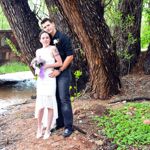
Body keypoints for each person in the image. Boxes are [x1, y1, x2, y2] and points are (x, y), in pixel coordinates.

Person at [41, 18, 74, 137]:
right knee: (55, 98)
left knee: (64, 98)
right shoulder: (48, 40)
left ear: (53, 24)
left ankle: (68, 127)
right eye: (44, 27)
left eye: (48, 25)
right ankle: (60, 123)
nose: (47, 28)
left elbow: (70, 56)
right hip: (52, 73)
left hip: (63, 72)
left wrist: (59, 70)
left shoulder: (63, 38)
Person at [31, 30, 62, 139]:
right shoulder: (38, 51)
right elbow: (37, 64)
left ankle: (48, 129)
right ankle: (39, 128)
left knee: (49, 105)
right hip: (41, 78)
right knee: (40, 106)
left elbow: (59, 63)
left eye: (47, 37)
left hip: (50, 77)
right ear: (40, 40)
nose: (45, 39)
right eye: (43, 38)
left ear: (50, 39)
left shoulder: (53, 48)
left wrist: (47, 66)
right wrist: (36, 67)